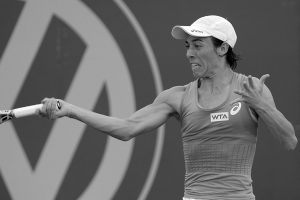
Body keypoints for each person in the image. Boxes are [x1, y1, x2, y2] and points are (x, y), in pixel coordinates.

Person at [39, 15, 298, 200]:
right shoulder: (177, 97)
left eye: (197, 45)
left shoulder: (254, 90)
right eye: (187, 46)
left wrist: (264, 108)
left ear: (222, 48)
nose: (189, 53)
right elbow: (126, 128)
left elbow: (289, 141)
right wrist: (71, 109)